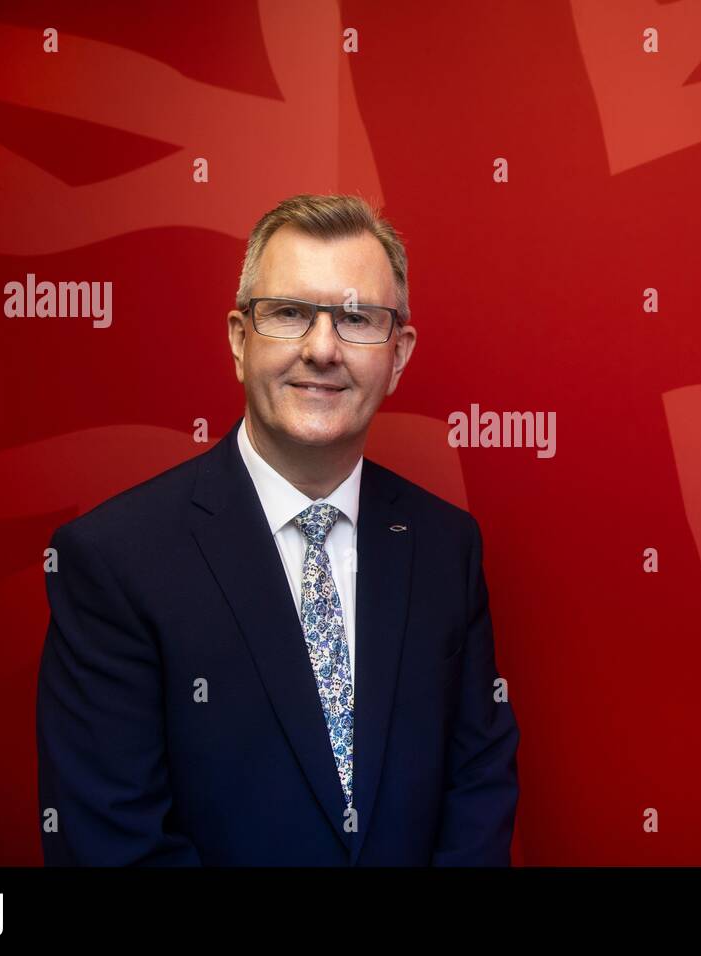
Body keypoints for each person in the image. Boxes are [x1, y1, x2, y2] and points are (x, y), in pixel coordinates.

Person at [35, 194, 520, 865]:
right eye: (290, 313)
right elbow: (115, 844)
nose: (322, 349)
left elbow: (478, 789)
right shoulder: (114, 562)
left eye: (356, 318)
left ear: (398, 354)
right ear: (240, 339)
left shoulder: (446, 548)